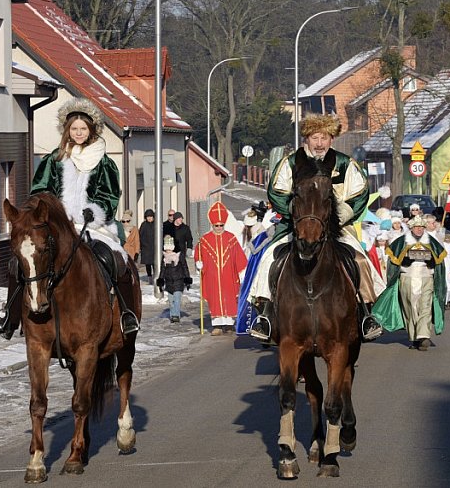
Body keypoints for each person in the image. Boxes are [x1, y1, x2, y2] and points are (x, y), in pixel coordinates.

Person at [0, 98, 138, 337]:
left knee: (115, 258)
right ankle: (11, 314)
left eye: (83, 129)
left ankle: (125, 315)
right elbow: (39, 191)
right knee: (20, 261)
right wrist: (51, 211)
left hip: (94, 224)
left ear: (91, 130)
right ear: (67, 130)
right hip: (57, 223)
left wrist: (94, 211)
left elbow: (110, 195)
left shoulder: (104, 162)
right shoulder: (53, 160)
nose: (78, 133)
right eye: (74, 129)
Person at [247, 114, 384, 343]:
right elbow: (277, 191)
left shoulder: (344, 164)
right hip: (296, 226)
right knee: (270, 258)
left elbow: (360, 194)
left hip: (336, 228)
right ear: (307, 139)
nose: (319, 143)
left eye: (324, 137)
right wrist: (298, 214)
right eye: (314, 137)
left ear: (331, 139)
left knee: (360, 260)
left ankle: (365, 314)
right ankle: (266, 314)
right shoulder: (292, 162)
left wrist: (338, 217)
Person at [372, 215, 447, 351]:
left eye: (422, 227)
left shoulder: (431, 241)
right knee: (410, 308)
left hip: (426, 278)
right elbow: (392, 263)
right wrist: (404, 262)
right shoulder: (401, 242)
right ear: (411, 228)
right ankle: (413, 337)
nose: (419, 230)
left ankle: (423, 336)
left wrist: (431, 262)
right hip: (407, 277)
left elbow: (440, 261)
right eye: (417, 227)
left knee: (425, 307)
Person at [195, 201, 248, 336]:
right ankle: (217, 325)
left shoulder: (231, 238)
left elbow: (239, 255)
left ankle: (229, 324)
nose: (219, 227)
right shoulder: (205, 240)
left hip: (228, 275)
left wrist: (242, 270)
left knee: (229, 297)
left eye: (221, 225)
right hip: (212, 276)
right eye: (216, 225)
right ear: (212, 225)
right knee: (215, 298)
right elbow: (198, 254)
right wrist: (198, 263)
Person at [157, 235, 191, 323]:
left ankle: (176, 315)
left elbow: (184, 267)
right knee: (171, 301)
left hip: (178, 281)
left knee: (177, 299)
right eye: (166, 248)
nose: (168, 250)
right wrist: (161, 280)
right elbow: (162, 270)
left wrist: (187, 279)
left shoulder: (179, 256)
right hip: (169, 282)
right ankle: (172, 315)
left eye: (170, 248)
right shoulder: (164, 258)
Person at [139, 209, 156, 284]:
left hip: (155, 248)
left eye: (151, 216)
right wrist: (143, 244)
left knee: (155, 263)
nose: (149, 218)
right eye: (148, 217)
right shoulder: (144, 225)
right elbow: (140, 236)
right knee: (148, 264)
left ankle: (156, 277)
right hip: (146, 248)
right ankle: (150, 277)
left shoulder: (156, 224)